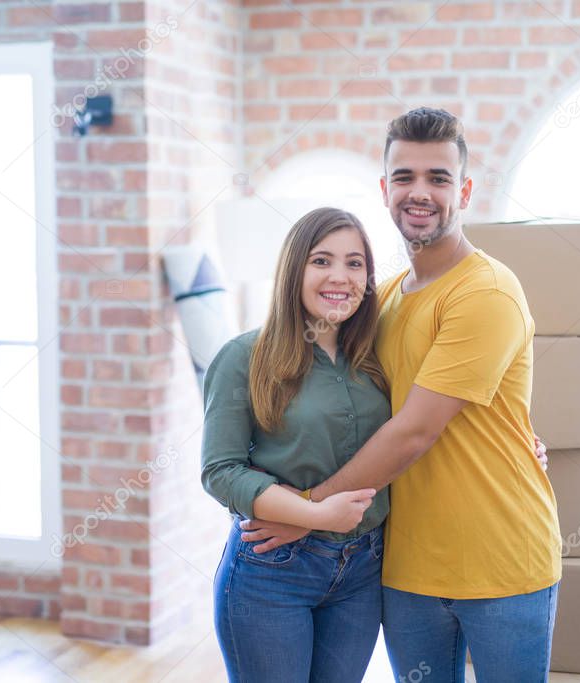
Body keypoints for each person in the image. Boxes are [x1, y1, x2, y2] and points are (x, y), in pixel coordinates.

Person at [239, 108, 562, 682]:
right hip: (406, 569)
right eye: (405, 177)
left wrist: (307, 513)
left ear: (463, 190)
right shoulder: (380, 298)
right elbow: (338, 403)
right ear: (384, 190)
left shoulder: (486, 291)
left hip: (504, 563)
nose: (420, 193)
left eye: (438, 178)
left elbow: (415, 429)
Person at [201, 207, 391, 682]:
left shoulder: (378, 356)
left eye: (355, 263)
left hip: (362, 570)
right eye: (321, 260)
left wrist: (519, 443)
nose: (340, 277)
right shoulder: (244, 357)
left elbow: (428, 422)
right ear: (294, 269)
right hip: (273, 572)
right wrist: (311, 515)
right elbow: (220, 470)